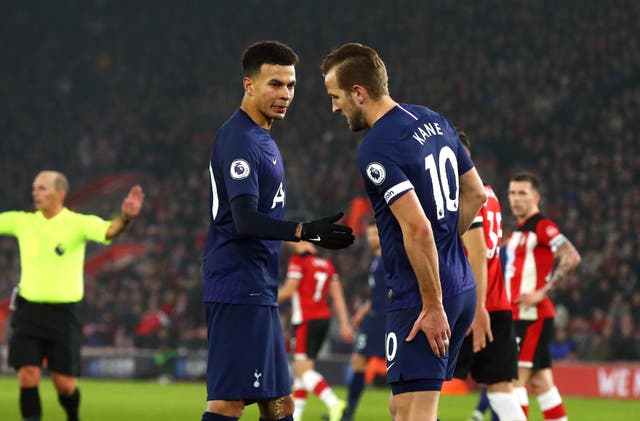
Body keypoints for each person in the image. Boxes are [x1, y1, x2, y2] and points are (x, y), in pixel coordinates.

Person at [321, 43, 487, 421]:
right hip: (460, 286)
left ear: (359, 93)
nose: (334, 107)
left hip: (421, 297)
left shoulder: (378, 146)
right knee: (401, 406)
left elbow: (417, 228)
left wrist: (431, 305)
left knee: (417, 414)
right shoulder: (434, 119)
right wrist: (447, 245)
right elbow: (476, 193)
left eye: (336, 97)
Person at [202, 41, 354, 421]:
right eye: (274, 84)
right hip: (238, 288)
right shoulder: (239, 138)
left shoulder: (262, 138)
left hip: (260, 287)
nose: (285, 94)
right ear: (248, 85)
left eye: (290, 85)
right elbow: (245, 219)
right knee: (228, 403)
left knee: (278, 402)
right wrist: (304, 231)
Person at [1, 170, 144, 421]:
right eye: (35, 188)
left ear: (60, 193)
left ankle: (73, 417)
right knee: (27, 374)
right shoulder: (22, 221)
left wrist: (126, 217)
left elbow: (110, 231)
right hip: (28, 311)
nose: (36, 193)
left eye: (42, 188)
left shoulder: (78, 223)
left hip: (64, 315)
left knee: (64, 384)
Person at [452, 130, 525, 421]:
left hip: (468, 306)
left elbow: (478, 253)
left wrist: (477, 307)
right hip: (497, 304)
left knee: (415, 391)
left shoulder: (464, 194)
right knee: (500, 392)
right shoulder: (490, 193)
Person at [504, 172, 581, 421]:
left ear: (535, 196)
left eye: (522, 193)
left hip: (531, 316)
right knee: (542, 384)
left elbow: (571, 256)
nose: (516, 199)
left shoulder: (543, 226)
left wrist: (542, 291)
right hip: (519, 314)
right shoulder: (519, 229)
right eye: (513, 193)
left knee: (514, 381)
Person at [278, 241, 353, 421]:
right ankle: (296, 417)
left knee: (302, 370)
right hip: (323, 320)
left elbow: (289, 291)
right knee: (302, 371)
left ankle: (334, 403)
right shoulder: (327, 265)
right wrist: (344, 324)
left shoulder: (298, 261)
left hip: (306, 319)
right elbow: (337, 296)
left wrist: (265, 298)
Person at [341, 220, 387, 421]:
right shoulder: (376, 260)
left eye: (375, 235)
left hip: (387, 319)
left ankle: (408, 412)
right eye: (369, 235)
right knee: (358, 360)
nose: (371, 239)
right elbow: (377, 294)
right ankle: (349, 412)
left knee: (395, 365)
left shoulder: (389, 259)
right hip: (374, 318)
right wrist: (361, 313)